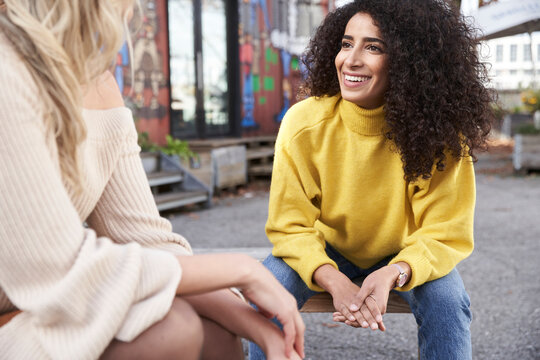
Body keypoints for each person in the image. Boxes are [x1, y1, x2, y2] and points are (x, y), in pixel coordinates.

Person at [0, 1, 305, 359]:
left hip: (42, 302)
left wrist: (253, 325)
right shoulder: (9, 67)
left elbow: (147, 241)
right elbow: (58, 268)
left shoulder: (96, 80)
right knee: (172, 330)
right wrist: (241, 270)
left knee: (218, 330)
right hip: (36, 299)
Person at [249, 0, 494, 359]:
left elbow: (445, 234)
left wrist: (394, 272)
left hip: (404, 252)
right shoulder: (304, 123)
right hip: (327, 248)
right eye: (347, 43)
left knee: (448, 302)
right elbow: (289, 226)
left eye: (374, 47)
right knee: (266, 289)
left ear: (411, 62)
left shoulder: (440, 135)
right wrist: (335, 281)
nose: (351, 59)